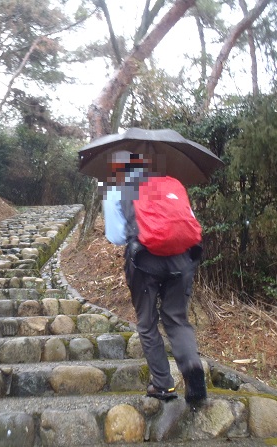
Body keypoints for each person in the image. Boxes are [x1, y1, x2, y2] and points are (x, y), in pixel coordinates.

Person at [101, 149, 207, 404]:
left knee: (148, 322)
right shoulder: (172, 183)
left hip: (144, 261)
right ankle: (192, 368)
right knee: (177, 319)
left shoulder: (118, 189)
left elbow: (115, 236)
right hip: (181, 260)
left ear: (119, 169)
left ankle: (162, 385)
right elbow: (188, 223)